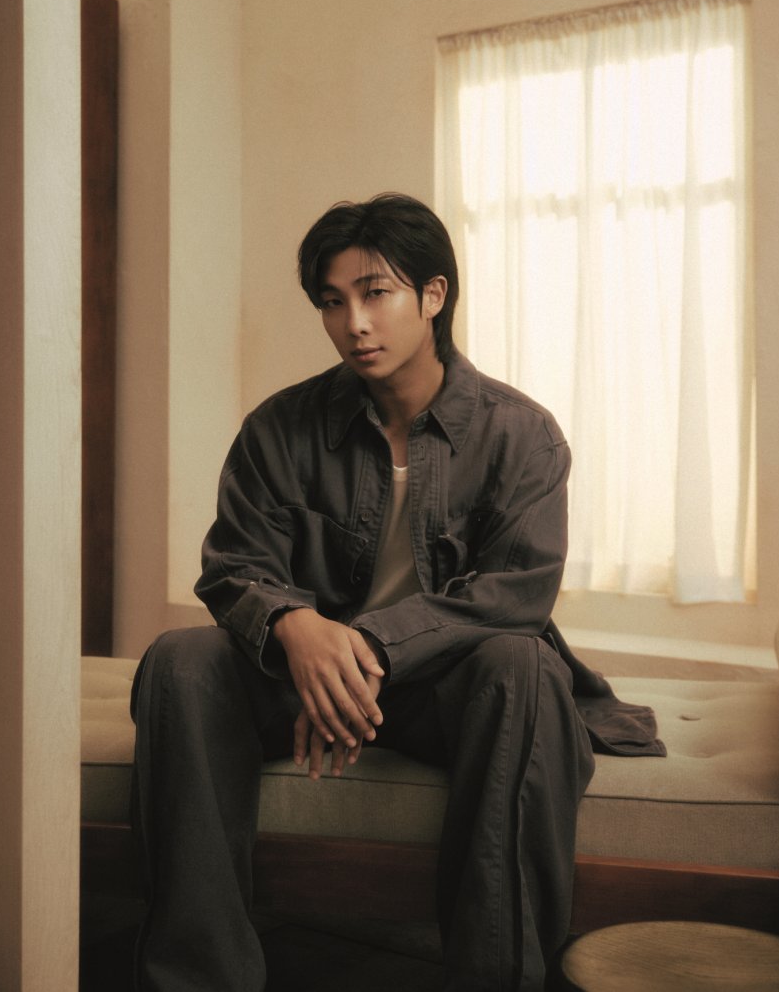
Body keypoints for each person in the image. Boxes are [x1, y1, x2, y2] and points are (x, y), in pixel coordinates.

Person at [130, 193, 664, 992]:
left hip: (442, 689)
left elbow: (512, 595)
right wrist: (296, 625)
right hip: (301, 676)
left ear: (433, 294)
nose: (355, 323)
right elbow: (235, 564)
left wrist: (367, 645)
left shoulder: (522, 435)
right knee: (180, 660)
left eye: (375, 293)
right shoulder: (279, 428)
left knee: (522, 666)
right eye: (332, 301)